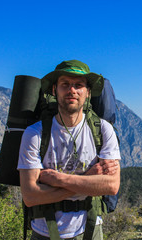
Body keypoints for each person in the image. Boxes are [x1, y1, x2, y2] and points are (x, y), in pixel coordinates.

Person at [17, 60, 121, 240]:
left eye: (79, 85)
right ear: (54, 90)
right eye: (65, 84)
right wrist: (88, 180)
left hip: (90, 229)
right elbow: (30, 197)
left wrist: (59, 179)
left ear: (88, 93)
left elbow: (111, 186)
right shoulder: (34, 134)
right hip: (43, 232)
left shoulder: (103, 130)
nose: (72, 90)